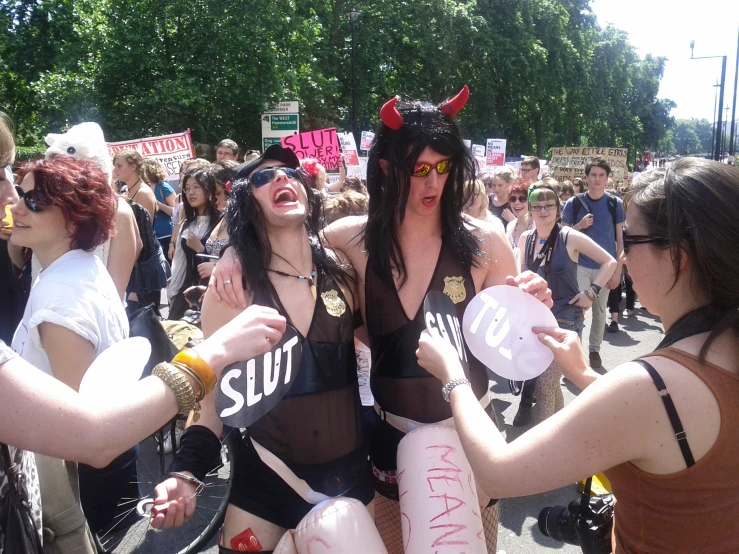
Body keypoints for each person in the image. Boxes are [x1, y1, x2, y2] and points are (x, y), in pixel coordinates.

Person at [209, 86, 553, 554]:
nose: (433, 183)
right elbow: (282, 240)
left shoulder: (486, 243)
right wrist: (235, 252)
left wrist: (535, 302)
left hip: (470, 438)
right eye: (419, 169)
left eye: (442, 167)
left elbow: (517, 339)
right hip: (390, 444)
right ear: (390, 168)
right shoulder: (350, 240)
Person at [417, 158, 739, 554]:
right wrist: (584, 372)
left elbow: (496, 472)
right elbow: (664, 427)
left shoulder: (651, 384)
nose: (622, 259)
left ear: (678, 255)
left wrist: (453, 373)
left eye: (631, 242)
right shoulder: (718, 352)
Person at [152, 145, 374, 553]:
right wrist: (187, 471)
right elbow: (214, 396)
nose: (280, 178)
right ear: (247, 203)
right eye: (261, 177)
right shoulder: (232, 291)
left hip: (350, 486)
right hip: (265, 489)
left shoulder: (343, 272)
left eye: (290, 172)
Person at [10, 155, 131, 545]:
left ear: (75, 218)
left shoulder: (58, 301)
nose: (14, 206)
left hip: (74, 492)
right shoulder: (79, 269)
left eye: (33, 201)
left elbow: (78, 424)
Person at [513, 182, 616, 425]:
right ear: (530, 209)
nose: (543, 210)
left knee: (545, 383)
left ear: (558, 208)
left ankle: (544, 444)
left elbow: (609, 261)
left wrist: (591, 292)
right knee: (547, 385)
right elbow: (523, 278)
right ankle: (560, 432)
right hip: (536, 320)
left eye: (549, 205)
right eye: (537, 205)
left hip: (566, 318)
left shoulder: (569, 236)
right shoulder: (525, 239)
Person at [561, 157, 625, 369]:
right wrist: (579, 226)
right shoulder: (574, 202)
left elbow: (620, 238)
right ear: (586, 177)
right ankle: (574, 353)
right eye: (593, 175)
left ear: (607, 178)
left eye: (601, 175)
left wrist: (617, 270)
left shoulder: (614, 203)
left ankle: (594, 350)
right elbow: (563, 234)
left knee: (599, 311)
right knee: (576, 311)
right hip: (578, 264)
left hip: (604, 268)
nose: (597, 179)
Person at [168, 167, 222, 320]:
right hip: (186, 292)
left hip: (211, 291)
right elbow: (179, 263)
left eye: (196, 187)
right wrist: (173, 294)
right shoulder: (187, 224)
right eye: (187, 189)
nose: (190, 192)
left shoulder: (222, 222)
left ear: (209, 189)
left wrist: (200, 248)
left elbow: (226, 260)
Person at [143, 158, 177, 257]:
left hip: (166, 234)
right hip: (150, 236)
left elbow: (176, 212)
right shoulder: (142, 188)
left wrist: (157, 204)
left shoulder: (163, 187)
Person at [504, 180, 534, 269]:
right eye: (513, 199)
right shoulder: (510, 226)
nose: (517, 202)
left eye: (522, 199)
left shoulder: (537, 226)